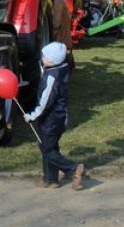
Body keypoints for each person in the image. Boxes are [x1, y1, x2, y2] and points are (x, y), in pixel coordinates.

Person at [23, 41, 85, 190]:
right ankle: (51, 179)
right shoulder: (62, 69)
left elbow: (45, 101)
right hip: (59, 118)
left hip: (52, 120)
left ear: (51, 60)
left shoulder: (52, 77)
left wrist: (32, 115)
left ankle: (73, 168)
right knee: (51, 147)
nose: (42, 58)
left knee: (46, 149)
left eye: (44, 56)